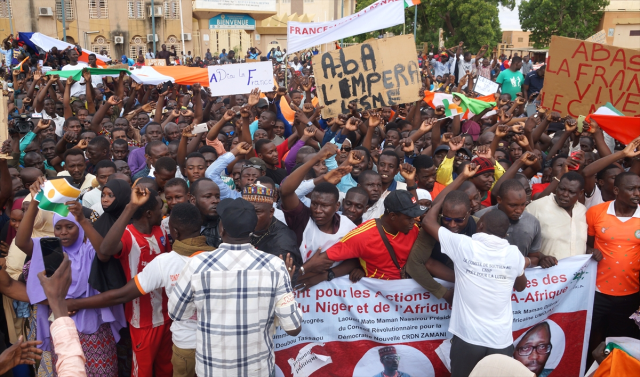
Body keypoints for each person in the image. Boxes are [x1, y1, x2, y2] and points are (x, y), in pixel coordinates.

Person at [65, 202, 214, 377]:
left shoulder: (166, 261)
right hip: (165, 326)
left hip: (173, 329)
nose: (162, 211)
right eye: (160, 208)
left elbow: (122, 294)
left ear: (174, 232)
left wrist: (74, 303)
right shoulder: (217, 257)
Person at [168, 198, 302, 376]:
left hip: (212, 369)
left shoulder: (197, 264)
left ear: (221, 228)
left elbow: (177, 313)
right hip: (257, 370)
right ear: (252, 229)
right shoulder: (275, 267)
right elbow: (293, 327)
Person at [421, 164, 527, 377]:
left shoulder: (464, 246)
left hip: (468, 339)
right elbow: (521, 286)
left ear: (479, 226)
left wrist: (457, 183)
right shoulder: (514, 254)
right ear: (505, 234)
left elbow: (428, 220)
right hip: (501, 341)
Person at [16, 177, 126, 376]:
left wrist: (83, 220)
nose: (63, 233)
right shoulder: (50, 251)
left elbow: (104, 252)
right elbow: (21, 242)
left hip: (96, 329)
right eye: (59, 228)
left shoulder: (90, 249)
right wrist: (34, 201)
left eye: (70, 227)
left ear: (80, 228)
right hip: (62, 327)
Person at [98, 185, 172, 377]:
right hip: (143, 321)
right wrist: (131, 206)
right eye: (159, 208)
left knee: (168, 369)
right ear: (148, 213)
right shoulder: (128, 235)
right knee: (143, 372)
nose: (162, 210)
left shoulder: (161, 230)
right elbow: (105, 250)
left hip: (167, 316)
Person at [587, 172, 640, 360]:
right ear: (616, 190)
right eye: (632, 189)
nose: (637, 193)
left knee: (619, 340)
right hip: (596, 292)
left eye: (639, 189)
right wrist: (589, 250)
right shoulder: (596, 212)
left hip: (631, 295)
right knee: (591, 336)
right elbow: (586, 243)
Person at [525, 172, 587, 267]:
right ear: (557, 187)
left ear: (581, 193)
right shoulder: (536, 207)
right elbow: (520, 243)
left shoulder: (583, 211)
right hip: (547, 277)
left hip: (576, 277)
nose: (565, 194)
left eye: (571, 192)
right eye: (562, 189)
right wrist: (541, 257)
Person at [475, 179, 542, 262]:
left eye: (523, 204)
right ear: (499, 200)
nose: (519, 210)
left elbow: (535, 257)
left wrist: (524, 262)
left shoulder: (533, 223)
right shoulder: (480, 218)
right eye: (513, 205)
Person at [242, 184, 302, 268]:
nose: (249, 216)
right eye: (246, 210)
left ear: (271, 212)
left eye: (257, 212)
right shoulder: (242, 226)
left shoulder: (282, 244)